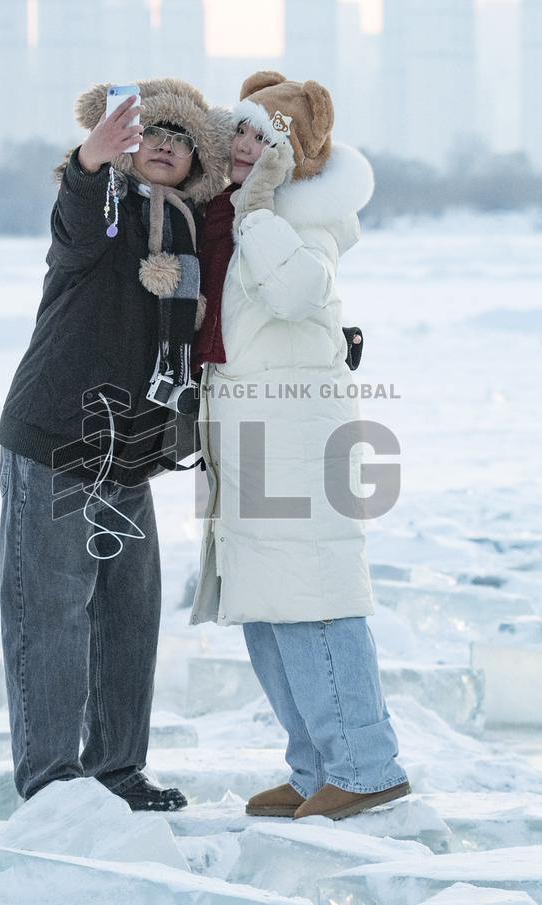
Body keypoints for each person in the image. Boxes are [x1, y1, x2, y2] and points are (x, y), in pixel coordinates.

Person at [0, 78, 230, 810]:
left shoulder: (189, 230)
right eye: (150, 131)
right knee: (53, 610)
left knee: (130, 610)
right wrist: (89, 163)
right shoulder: (105, 209)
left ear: (196, 156)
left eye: (180, 136)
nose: (164, 143)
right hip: (59, 435)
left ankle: (117, 768)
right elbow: (74, 225)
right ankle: (51, 781)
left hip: (128, 449)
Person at [190, 71, 411, 821]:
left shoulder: (301, 222)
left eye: (267, 136)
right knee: (264, 606)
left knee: (314, 597)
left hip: (298, 444)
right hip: (250, 440)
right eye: (242, 131)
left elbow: (295, 293)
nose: (248, 146)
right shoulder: (238, 215)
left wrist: (255, 215)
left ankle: (366, 764)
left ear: (296, 155)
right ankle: (316, 764)